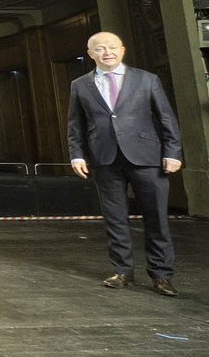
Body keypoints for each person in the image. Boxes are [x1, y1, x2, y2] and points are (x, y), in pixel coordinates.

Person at [68, 31, 183, 296]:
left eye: (112, 47)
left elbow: (166, 119)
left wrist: (173, 153)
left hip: (147, 157)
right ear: (90, 54)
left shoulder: (147, 80)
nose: (106, 52)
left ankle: (161, 275)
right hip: (104, 158)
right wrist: (76, 154)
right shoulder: (80, 85)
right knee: (115, 218)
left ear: (122, 50)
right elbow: (75, 125)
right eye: (99, 48)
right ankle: (122, 271)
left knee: (156, 218)